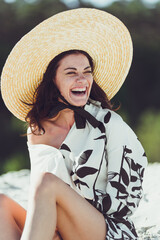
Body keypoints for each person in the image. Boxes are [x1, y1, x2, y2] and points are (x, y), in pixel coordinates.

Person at [0, 8, 147, 240]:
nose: (82, 79)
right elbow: (41, 194)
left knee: (47, 183)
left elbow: (129, 197)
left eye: (87, 72)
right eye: (71, 72)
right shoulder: (37, 129)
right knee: (1, 204)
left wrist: (74, 206)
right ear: (53, 80)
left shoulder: (108, 123)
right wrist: (54, 223)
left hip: (107, 229)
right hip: (61, 226)